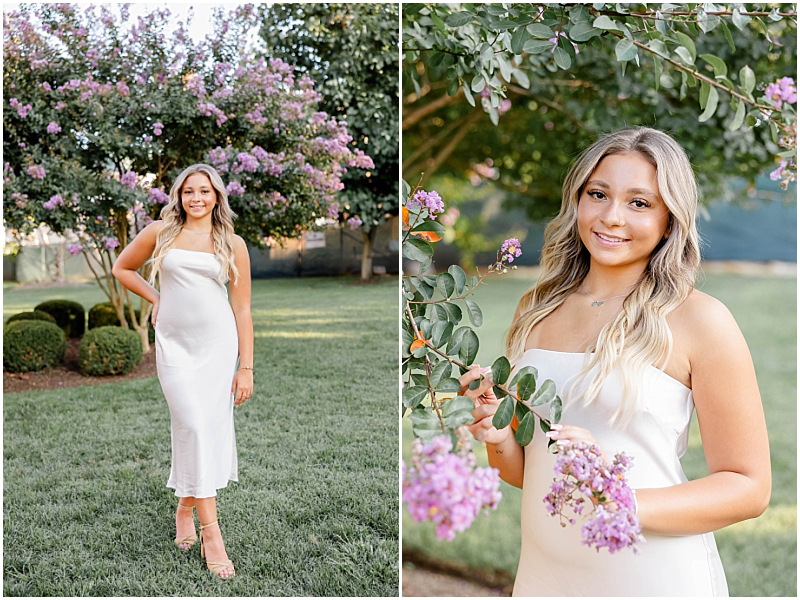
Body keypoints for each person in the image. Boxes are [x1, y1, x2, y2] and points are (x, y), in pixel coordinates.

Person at [462, 127, 771, 596]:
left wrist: (617, 498)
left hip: (653, 576)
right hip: (545, 578)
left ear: (670, 218)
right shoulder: (536, 308)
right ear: (578, 199)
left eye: (639, 203)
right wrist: (497, 432)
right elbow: (529, 472)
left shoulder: (700, 320)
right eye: (598, 194)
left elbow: (749, 487)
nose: (611, 217)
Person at [112, 164, 253, 580]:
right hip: (174, 346)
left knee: (204, 430)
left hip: (218, 346)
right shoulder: (161, 232)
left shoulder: (232, 242)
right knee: (191, 424)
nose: (196, 198)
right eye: (188, 191)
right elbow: (123, 268)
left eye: (204, 191)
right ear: (178, 196)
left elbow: (242, 308)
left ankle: (185, 510)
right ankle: (213, 534)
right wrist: (158, 297)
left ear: (216, 197)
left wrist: (245, 366)